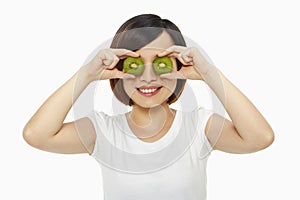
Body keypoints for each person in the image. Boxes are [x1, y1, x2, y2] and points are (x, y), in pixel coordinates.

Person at [23, 14, 274, 200]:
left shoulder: (198, 127)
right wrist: (87, 74)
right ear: (119, 69)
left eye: (161, 63)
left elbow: (260, 138)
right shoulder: (103, 132)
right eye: (135, 64)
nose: (148, 78)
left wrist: (209, 72)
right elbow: (37, 135)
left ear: (177, 66)